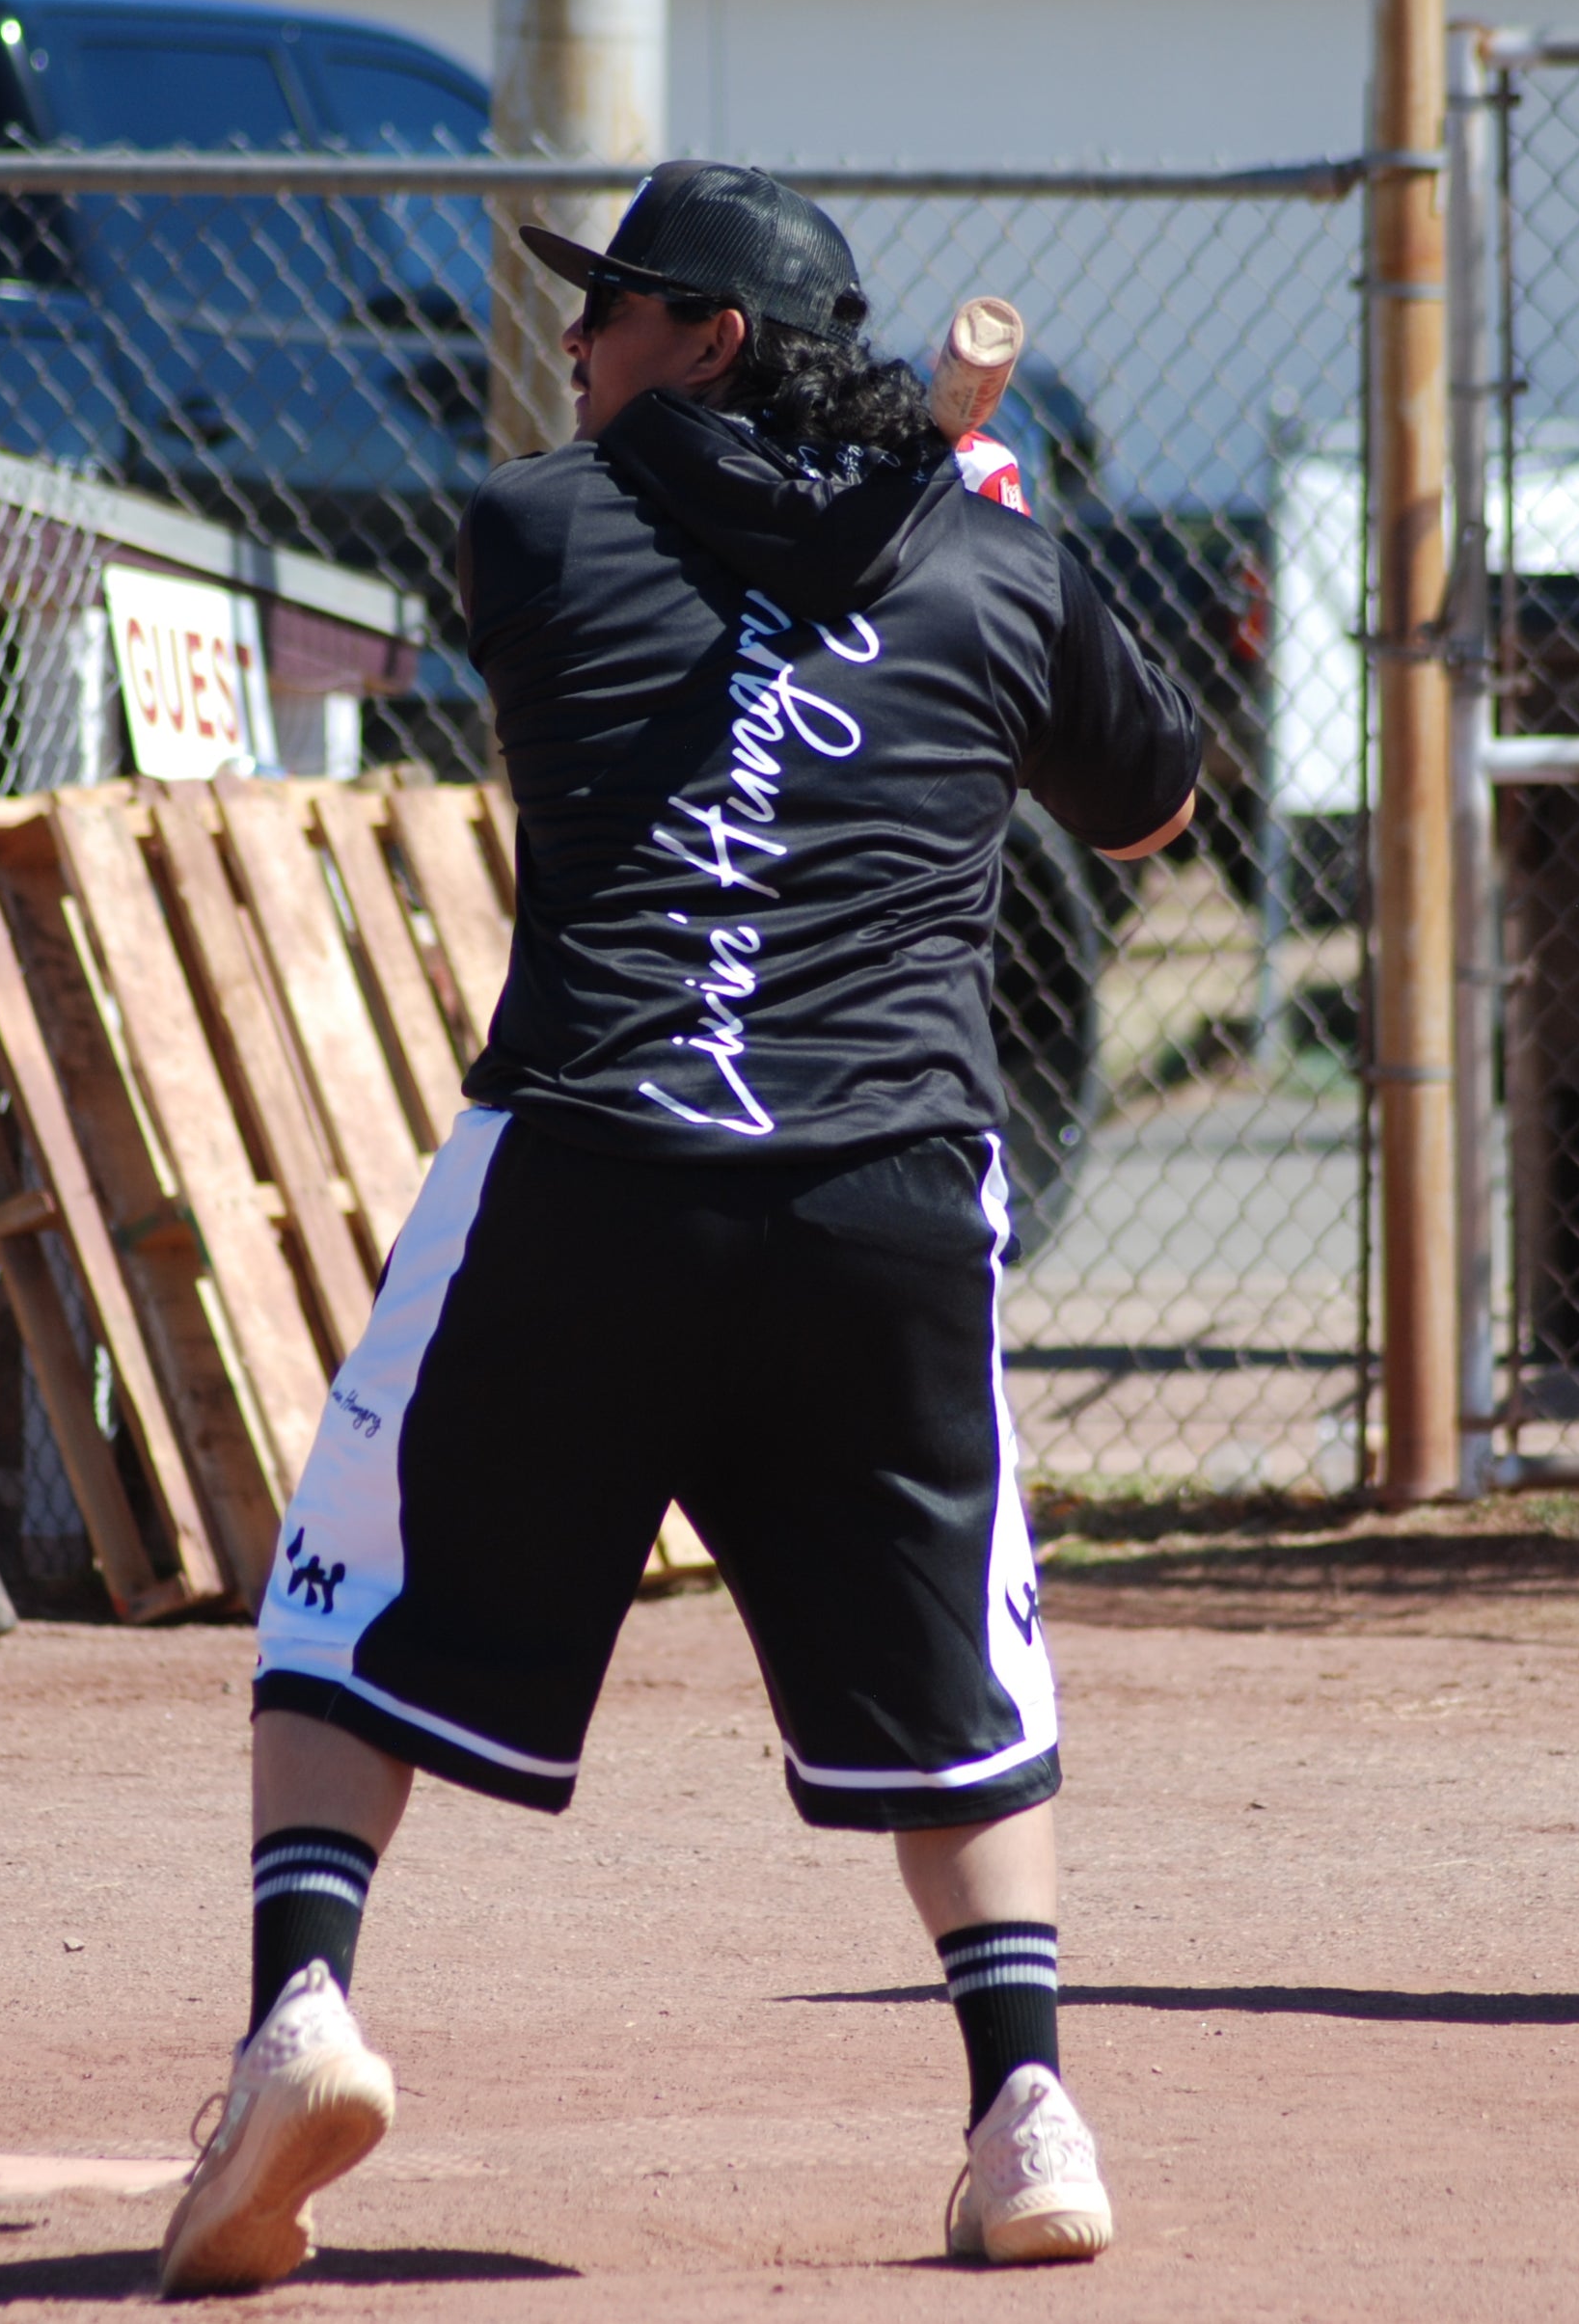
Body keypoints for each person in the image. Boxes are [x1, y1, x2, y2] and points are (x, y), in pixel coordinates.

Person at [153, 162, 1202, 2296]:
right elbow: (1154, 801)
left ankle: (303, 2006)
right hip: (886, 1200)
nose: (574, 341)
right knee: (955, 1643)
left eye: (619, 307)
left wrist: (940, 510)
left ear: (712, 341)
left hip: (593, 1168)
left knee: (346, 1578)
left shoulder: (534, 531)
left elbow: (736, 547)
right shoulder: (993, 558)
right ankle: (1024, 2105)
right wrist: (1000, 531)